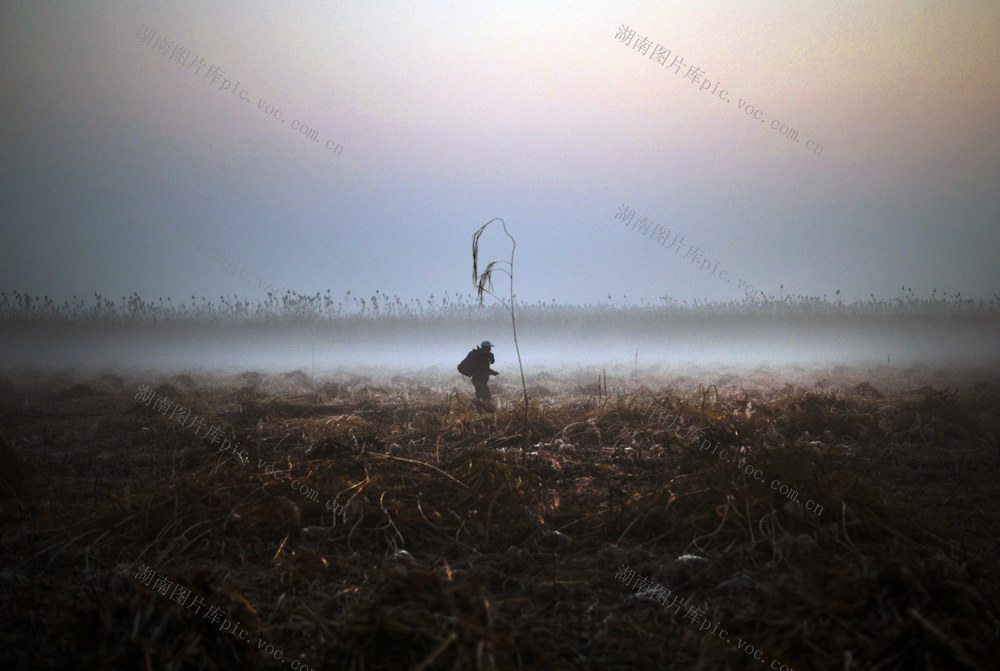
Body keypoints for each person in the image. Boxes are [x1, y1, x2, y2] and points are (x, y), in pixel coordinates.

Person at [458, 340, 499, 408]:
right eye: (489, 347)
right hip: (477, 378)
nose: (490, 349)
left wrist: (493, 372)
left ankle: (481, 408)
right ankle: (476, 408)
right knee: (482, 394)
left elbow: (483, 368)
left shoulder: (485, 356)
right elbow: (479, 369)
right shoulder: (478, 355)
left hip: (482, 380)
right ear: (485, 347)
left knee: (486, 395)